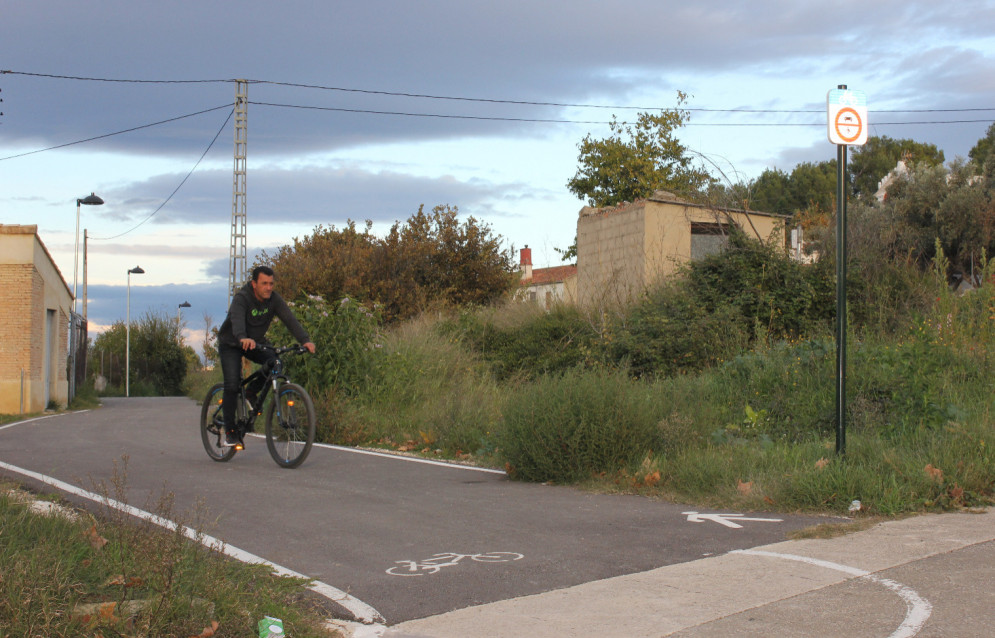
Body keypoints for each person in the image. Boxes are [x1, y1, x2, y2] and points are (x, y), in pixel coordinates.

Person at [216, 265, 315, 448]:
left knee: (276, 362)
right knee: (232, 384)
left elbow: (290, 319)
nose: (269, 287)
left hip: (255, 342)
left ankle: (252, 393)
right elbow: (237, 320)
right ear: (254, 284)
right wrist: (242, 337)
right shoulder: (242, 298)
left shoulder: (274, 300)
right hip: (232, 343)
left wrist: (305, 340)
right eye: (264, 284)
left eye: (271, 283)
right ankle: (230, 432)